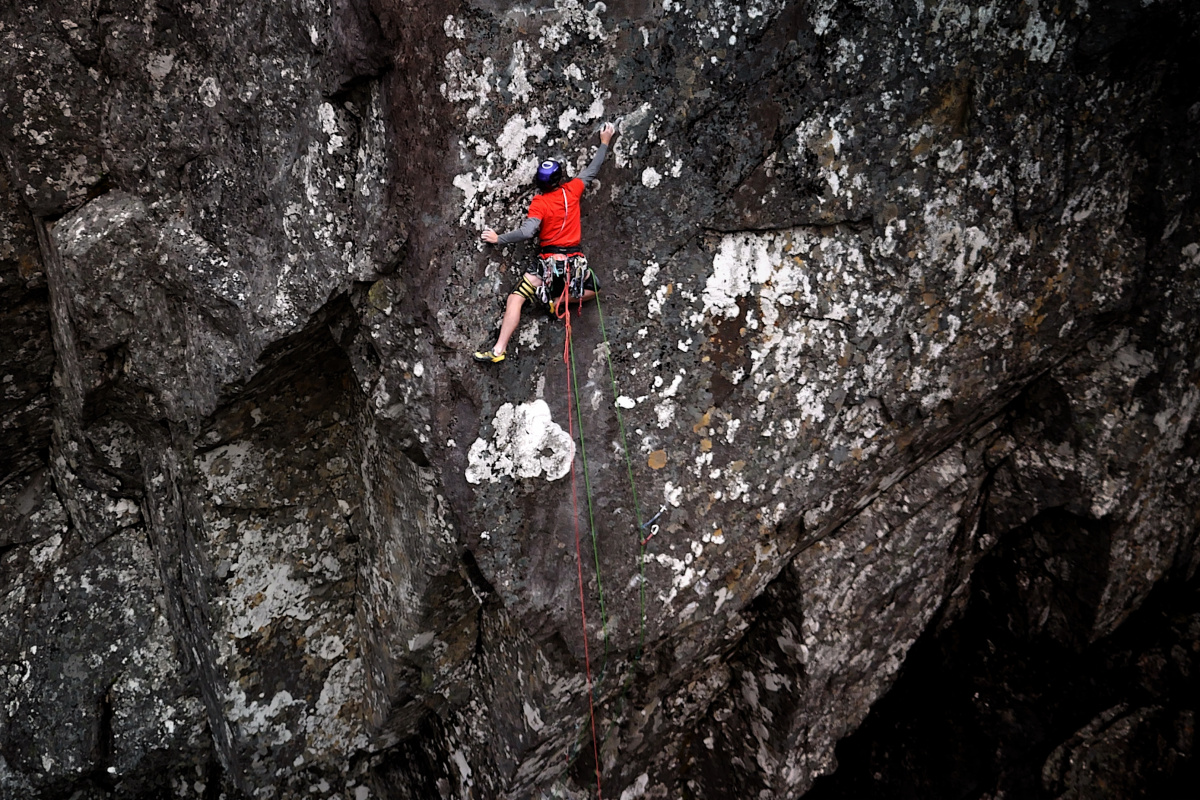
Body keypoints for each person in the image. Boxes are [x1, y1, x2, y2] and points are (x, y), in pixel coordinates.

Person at [473, 121, 617, 363]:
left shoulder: (539, 203)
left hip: (547, 265)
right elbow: (593, 169)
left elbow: (528, 232)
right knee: (595, 289)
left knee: (515, 298)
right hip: (573, 263)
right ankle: (556, 302)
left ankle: (498, 351)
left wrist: (499, 239)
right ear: (559, 179)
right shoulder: (572, 190)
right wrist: (604, 142)